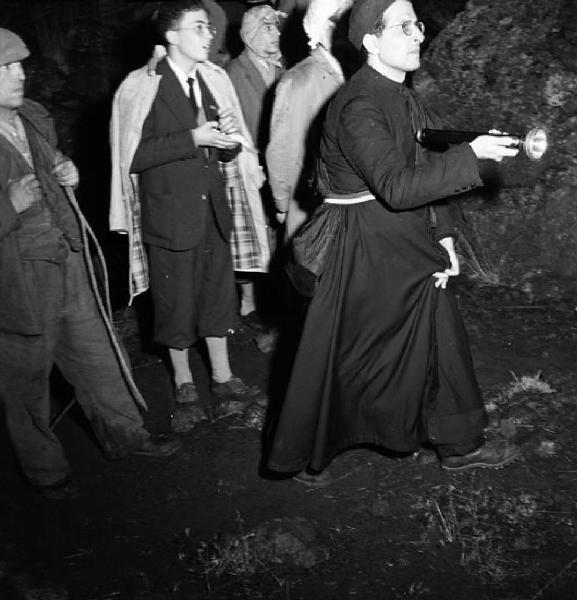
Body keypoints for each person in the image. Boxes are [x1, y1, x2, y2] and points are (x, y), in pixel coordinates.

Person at [266, 0, 521, 487]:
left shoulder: (404, 97)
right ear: (370, 40)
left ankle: (459, 442)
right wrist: (471, 156)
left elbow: (426, 169)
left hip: (399, 236)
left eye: (417, 24)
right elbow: (398, 186)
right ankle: (307, 451)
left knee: (433, 330)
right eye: (403, 27)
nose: (418, 34)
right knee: (346, 351)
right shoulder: (360, 104)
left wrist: (444, 236)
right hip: (361, 247)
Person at [0, 28, 181, 501]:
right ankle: (45, 471)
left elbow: (54, 165)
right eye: (6, 69)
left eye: (20, 65)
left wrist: (68, 172)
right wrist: (8, 207)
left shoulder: (33, 117)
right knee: (26, 381)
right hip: (16, 277)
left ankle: (128, 436)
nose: (20, 76)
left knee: (96, 353)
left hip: (66, 255)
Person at [110, 1, 264, 431]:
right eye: (198, 27)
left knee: (218, 295)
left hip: (213, 210)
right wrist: (191, 137)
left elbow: (222, 142)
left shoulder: (212, 81)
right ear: (172, 36)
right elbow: (131, 156)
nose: (210, 34)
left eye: (210, 27)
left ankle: (223, 376)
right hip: (170, 217)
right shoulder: (141, 87)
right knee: (175, 302)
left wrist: (230, 144)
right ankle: (183, 383)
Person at [266, 0, 354, 240]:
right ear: (326, 26)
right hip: (311, 213)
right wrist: (282, 203)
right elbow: (281, 151)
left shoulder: (346, 74)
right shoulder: (299, 80)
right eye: (346, 20)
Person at [226, 4, 284, 346]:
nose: (276, 34)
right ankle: (250, 303)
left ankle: (269, 305)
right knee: (250, 231)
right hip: (251, 166)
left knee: (276, 233)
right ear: (249, 36)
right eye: (268, 28)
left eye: (276, 28)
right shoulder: (234, 73)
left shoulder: (283, 69)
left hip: (278, 165)